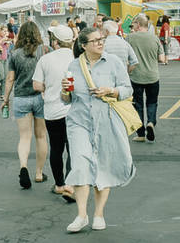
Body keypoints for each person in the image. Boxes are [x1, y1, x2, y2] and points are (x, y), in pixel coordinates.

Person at [62, 27, 136, 233]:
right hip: (79, 122)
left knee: (103, 166)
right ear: (83, 45)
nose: (100, 43)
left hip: (107, 121)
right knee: (79, 165)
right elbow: (67, 99)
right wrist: (64, 91)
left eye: (101, 39)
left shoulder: (113, 62)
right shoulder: (73, 65)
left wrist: (111, 90)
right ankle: (81, 215)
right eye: (94, 41)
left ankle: (99, 214)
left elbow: (127, 89)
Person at [32, 23, 77, 202]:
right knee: (73, 149)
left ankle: (59, 184)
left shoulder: (46, 59)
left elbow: (36, 85)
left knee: (56, 149)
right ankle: (70, 184)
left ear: (55, 41)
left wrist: (49, 87)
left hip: (52, 110)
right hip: (74, 110)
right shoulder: (76, 58)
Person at [2, 19, 49, 189]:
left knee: (24, 137)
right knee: (41, 136)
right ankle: (38, 173)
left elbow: (10, 79)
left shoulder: (15, 54)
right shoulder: (44, 51)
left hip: (21, 97)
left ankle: (23, 167)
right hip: (40, 97)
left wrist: (5, 99)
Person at [127, 14, 162, 142]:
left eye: (133, 24)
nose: (132, 26)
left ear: (138, 24)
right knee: (152, 102)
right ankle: (151, 122)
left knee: (138, 104)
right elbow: (162, 58)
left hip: (136, 76)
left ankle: (141, 134)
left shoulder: (130, 38)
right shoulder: (155, 38)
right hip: (153, 76)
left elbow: (127, 57)